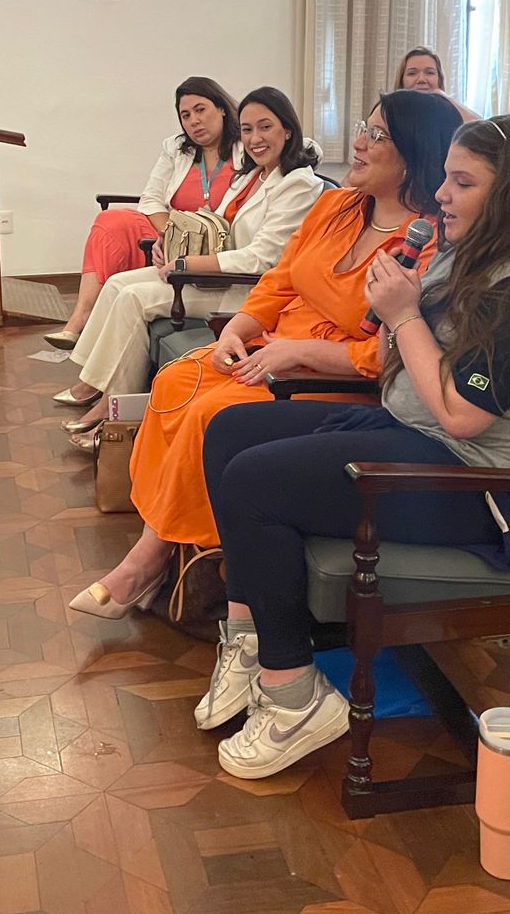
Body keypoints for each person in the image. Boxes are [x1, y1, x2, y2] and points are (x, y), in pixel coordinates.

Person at [189, 114, 510, 778]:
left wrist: (406, 312)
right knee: (230, 430)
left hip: (484, 489)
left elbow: (463, 413)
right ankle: (249, 637)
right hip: (416, 437)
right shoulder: (470, 249)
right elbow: (395, 360)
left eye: (463, 182)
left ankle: (293, 694)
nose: (440, 194)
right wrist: (396, 300)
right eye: (445, 177)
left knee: (255, 482)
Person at [68, 90, 463, 618]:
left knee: (214, 413)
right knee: (176, 381)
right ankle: (172, 546)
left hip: (333, 377)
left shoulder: (429, 241)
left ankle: (153, 560)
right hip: (274, 348)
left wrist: (301, 352)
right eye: (362, 128)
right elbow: (279, 280)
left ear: (415, 152)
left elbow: (390, 355)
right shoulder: (337, 206)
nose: (358, 144)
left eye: (377, 135)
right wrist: (237, 329)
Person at [54, 87, 325, 433]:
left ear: (287, 129)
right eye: (247, 129)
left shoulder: (298, 184)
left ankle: (114, 413)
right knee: (117, 284)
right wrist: (167, 244)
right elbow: (212, 223)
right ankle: (94, 386)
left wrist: (188, 265)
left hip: (245, 289)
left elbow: (262, 258)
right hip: (216, 275)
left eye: (265, 127)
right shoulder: (252, 174)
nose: (255, 138)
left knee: (133, 298)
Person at [45, 78, 241, 354]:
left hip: (218, 244)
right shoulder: (176, 148)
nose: (194, 121)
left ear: (221, 108)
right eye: (185, 115)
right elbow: (151, 199)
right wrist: (169, 235)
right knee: (109, 221)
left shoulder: (246, 149)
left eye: (201, 110)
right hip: (173, 234)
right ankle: (81, 316)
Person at [396, 46, 480, 122]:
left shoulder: (446, 114)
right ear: (401, 80)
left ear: (439, 79)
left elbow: (483, 130)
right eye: (412, 73)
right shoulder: (392, 113)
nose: (421, 79)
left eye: (430, 72)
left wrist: (445, 98)